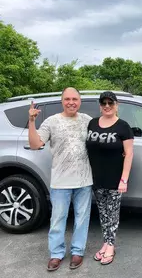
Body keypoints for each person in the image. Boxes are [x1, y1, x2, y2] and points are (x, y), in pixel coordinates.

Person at [28, 87, 93, 271]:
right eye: (67, 99)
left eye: (74, 99)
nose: (71, 102)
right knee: (58, 218)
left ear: (80, 101)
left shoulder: (87, 120)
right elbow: (35, 144)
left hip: (84, 180)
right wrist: (31, 121)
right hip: (60, 181)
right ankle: (56, 254)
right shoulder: (52, 121)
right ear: (61, 101)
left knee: (82, 219)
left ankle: (77, 252)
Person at [86, 91, 134, 265]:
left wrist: (124, 179)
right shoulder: (92, 123)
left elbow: (128, 154)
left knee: (112, 213)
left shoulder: (123, 126)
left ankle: (111, 246)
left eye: (110, 103)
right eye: (104, 103)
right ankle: (105, 243)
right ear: (100, 105)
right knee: (103, 213)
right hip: (96, 178)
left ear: (116, 105)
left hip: (115, 179)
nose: (107, 106)